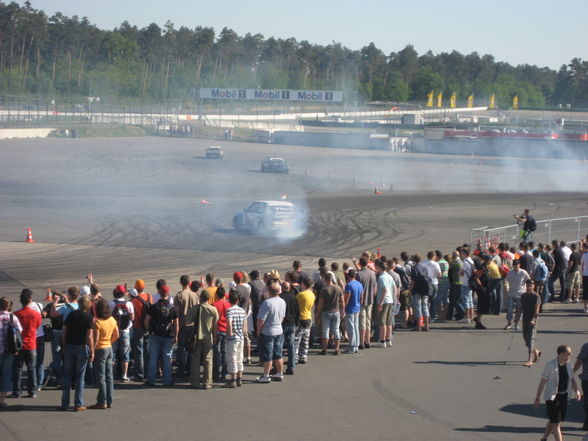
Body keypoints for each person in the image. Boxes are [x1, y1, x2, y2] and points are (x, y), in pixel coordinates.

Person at [533, 345, 581, 441]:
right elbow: (542, 383)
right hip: (552, 397)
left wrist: (577, 391)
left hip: (564, 397)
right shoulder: (550, 365)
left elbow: (572, 379)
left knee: (552, 420)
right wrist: (537, 398)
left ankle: (544, 439)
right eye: (569, 353)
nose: (571, 355)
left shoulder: (568, 365)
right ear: (562, 354)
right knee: (556, 423)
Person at [61, 295, 94, 411]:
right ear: (88, 305)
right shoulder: (89, 318)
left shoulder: (71, 315)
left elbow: (64, 331)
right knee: (80, 376)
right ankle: (78, 403)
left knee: (67, 376)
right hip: (81, 347)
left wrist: (64, 345)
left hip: (69, 346)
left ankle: (64, 403)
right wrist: (92, 351)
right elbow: (89, 336)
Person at [144, 282, 178, 387]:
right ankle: (167, 380)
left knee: (153, 358)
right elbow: (176, 323)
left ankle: (151, 380)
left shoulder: (153, 307)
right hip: (168, 335)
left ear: (159, 293)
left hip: (155, 335)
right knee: (167, 358)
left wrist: (150, 330)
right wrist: (176, 336)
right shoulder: (172, 308)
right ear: (168, 293)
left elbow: (146, 321)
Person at [12, 289, 42, 398]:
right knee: (32, 368)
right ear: (29, 299)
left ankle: (17, 391)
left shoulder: (16, 314)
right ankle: (32, 391)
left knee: (17, 368)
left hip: (19, 345)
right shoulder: (35, 314)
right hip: (31, 344)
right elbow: (37, 326)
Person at [186, 290, 218, 389]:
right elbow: (215, 325)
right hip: (208, 337)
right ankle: (207, 383)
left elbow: (187, 321)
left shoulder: (194, 309)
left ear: (200, 298)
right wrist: (215, 337)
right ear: (208, 298)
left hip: (196, 336)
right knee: (208, 360)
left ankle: (195, 382)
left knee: (195, 359)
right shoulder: (213, 309)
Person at [90, 299, 119, 409]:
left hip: (100, 349)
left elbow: (96, 338)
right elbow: (116, 334)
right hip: (109, 347)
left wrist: (92, 349)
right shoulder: (112, 319)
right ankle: (109, 400)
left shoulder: (97, 321)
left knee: (101, 377)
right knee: (109, 376)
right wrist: (109, 342)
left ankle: (102, 401)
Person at [256, 280, 286, 383]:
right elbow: (282, 317)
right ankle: (279, 373)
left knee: (267, 354)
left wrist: (258, 330)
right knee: (278, 353)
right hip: (279, 330)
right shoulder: (282, 302)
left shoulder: (267, 303)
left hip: (268, 331)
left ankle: (266, 375)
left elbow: (261, 319)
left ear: (269, 291)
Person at [174, 275, 198, 378]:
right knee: (190, 349)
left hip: (183, 324)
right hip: (192, 325)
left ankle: (181, 369)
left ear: (181, 283)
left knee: (181, 348)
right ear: (189, 283)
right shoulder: (195, 295)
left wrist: (176, 326)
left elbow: (176, 313)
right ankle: (189, 369)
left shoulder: (179, 296)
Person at [1, 297, 22, 409]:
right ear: (8, 306)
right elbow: (20, 331)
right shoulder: (12, 318)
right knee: (6, 375)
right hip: (9, 350)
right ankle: (2, 400)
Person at [316, 272, 344, 355]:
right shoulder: (338, 288)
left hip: (326, 312)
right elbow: (342, 301)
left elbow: (320, 303)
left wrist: (317, 313)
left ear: (325, 280)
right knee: (336, 330)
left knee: (325, 331)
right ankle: (337, 349)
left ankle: (324, 349)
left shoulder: (324, 290)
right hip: (336, 312)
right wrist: (343, 310)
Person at [109, 285, 134, 382]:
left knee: (113, 353)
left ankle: (111, 374)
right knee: (125, 353)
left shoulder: (111, 303)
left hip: (113, 331)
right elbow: (132, 318)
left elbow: (109, 317)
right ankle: (124, 375)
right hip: (125, 331)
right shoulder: (129, 304)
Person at [129, 279, 152, 381]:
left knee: (138, 351)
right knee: (146, 350)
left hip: (138, 326)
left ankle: (139, 373)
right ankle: (147, 372)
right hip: (147, 326)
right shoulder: (149, 296)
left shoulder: (134, 301)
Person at [224, 289, 247, 388]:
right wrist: (244, 333)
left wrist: (229, 333)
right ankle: (239, 378)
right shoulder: (242, 311)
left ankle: (233, 379)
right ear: (238, 300)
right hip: (241, 336)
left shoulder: (229, 310)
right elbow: (245, 325)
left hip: (233, 338)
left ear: (229, 300)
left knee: (232, 358)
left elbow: (229, 322)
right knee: (239, 357)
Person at [356, 256, 377, 349]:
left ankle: (361, 342)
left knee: (361, 322)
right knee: (368, 321)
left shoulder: (359, 274)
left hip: (361, 301)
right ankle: (367, 341)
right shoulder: (373, 273)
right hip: (370, 300)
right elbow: (375, 287)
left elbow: (357, 289)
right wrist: (373, 296)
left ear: (359, 264)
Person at [504, 260, 530, 330]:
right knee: (509, 309)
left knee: (519, 310)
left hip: (520, 294)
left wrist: (528, 290)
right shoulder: (510, 272)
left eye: (517, 265)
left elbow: (528, 281)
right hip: (511, 293)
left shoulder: (523, 272)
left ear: (519, 265)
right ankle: (509, 323)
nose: (516, 266)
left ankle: (516, 323)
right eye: (514, 265)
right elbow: (506, 280)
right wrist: (506, 287)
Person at [280, 281, 299, 375]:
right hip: (292, 324)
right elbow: (297, 311)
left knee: (279, 346)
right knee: (291, 346)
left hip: (283, 324)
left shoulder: (280, 297)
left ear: (282, 288)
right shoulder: (294, 297)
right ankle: (291, 366)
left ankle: (277, 367)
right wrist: (297, 323)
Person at [294, 277, 315, 365]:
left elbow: (295, 304)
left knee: (296, 340)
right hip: (309, 318)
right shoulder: (312, 294)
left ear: (304, 284)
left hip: (301, 318)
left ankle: (294, 358)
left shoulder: (301, 295)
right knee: (305, 339)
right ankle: (303, 356)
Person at [520, 280, 541, 367]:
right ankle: (536, 351)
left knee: (531, 339)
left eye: (531, 285)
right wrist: (517, 317)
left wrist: (533, 320)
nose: (529, 287)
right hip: (525, 319)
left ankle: (530, 360)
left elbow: (536, 311)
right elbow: (521, 307)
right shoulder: (523, 296)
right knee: (526, 339)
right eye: (528, 285)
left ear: (533, 286)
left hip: (533, 320)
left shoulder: (536, 296)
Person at [375, 260, 396, 345]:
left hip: (384, 301)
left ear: (380, 267)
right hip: (390, 300)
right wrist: (394, 298)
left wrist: (381, 302)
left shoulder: (381, 277)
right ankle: (388, 340)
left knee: (382, 322)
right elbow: (394, 288)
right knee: (389, 322)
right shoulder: (389, 276)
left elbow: (384, 290)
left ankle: (382, 340)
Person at [410, 255, 433, 331]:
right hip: (425, 289)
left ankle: (418, 326)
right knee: (425, 306)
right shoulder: (424, 268)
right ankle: (427, 325)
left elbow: (413, 281)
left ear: (414, 260)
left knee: (417, 307)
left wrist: (410, 290)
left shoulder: (414, 268)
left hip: (417, 289)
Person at [212, 286, 230, 382]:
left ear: (217, 295)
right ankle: (225, 372)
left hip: (217, 330)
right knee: (224, 352)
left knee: (216, 353)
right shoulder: (228, 305)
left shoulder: (214, 305)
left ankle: (216, 373)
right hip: (225, 330)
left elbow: (213, 320)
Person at [344, 269, 363, 353]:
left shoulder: (349, 285)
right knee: (355, 326)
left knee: (350, 327)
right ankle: (356, 345)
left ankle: (352, 346)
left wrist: (343, 307)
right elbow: (362, 297)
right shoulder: (359, 284)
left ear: (348, 275)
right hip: (357, 307)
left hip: (350, 308)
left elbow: (347, 298)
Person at [573, 340, 588, 430]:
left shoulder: (586, 346)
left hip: (586, 379)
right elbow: (579, 361)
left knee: (586, 402)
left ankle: (586, 425)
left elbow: (579, 361)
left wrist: (572, 371)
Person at [582, 242, 588, 313]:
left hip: (585, 274)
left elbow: (583, 265)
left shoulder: (584, 255)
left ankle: (585, 306)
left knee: (585, 291)